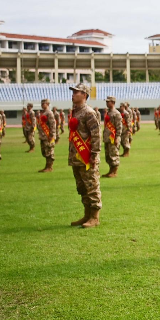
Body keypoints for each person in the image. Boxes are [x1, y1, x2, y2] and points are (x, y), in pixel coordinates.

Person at [67, 83, 102, 228]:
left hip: (87, 157)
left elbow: (96, 135)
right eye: (73, 91)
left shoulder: (89, 112)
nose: (73, 94)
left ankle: (95, 217)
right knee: (82, 187)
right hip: (76, 157)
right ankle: (87, 215)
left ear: (85, 95)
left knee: (92, 186)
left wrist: (94, 155)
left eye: (77, 92)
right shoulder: (75, 112)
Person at [102, 96, 122, 178]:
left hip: (113, 138)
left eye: (108, 102)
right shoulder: (108, 112)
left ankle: (114, 172)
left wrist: (117, 137)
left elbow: (119, 127)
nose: (107, 103)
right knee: (108, 155)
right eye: (106, 102)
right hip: (107, 137)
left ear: (113, 102)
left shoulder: (116, 113)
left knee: (114, 155)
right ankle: (110, 170)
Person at [37, 98, 57, 172]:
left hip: (48, 136)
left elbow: (52, 124)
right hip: (43, 136)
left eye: (44, 103)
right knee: (45, 151)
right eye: (42, 103)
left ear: (48, 104)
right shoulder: (43, 113)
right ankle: (47, 166)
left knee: (49, 151)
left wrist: (51, 135)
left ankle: (49, 167)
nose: (42, 105)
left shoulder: (49, 113)